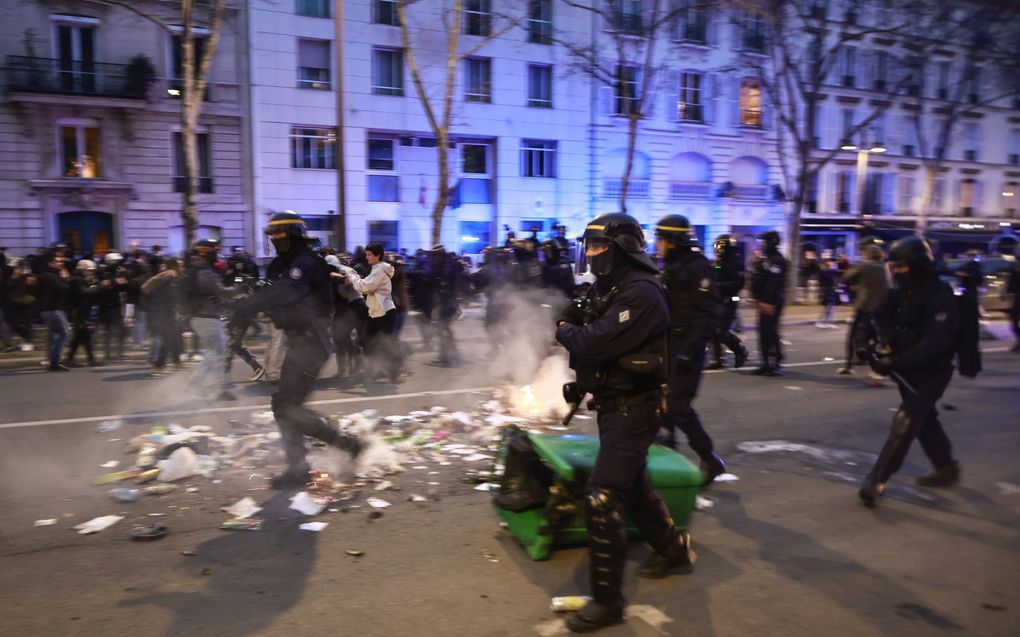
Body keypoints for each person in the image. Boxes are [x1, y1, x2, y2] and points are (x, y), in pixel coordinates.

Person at [555, 213, 696, 633]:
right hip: (617, 403)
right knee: (633, 485)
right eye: (591, 247)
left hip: (636, 407)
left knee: (602, 497)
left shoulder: (642, 293)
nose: (593, 254)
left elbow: (592, 340)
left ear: (621, 248)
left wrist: (565, 331)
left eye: (599, 247)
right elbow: (575, 310)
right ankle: (673, 549)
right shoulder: (611, 286)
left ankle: (608, 602)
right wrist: (570, 321)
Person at [231, 212, 361, 489]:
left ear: (293, 235)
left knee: (286, 407)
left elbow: (287, 291)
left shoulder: (307, 262)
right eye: (273, 236)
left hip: (313, 341)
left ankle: (343, 446)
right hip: (300, 340)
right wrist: (242, 298)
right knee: (285, 407)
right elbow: (271, 288)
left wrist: (250, 305)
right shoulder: (283, 264)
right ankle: (308, 463)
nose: (276, 241)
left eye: (280, 236)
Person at [858, 236, 962, 506]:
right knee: (924, 418)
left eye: (902, 267)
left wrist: (893, 363)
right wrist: (866, 339)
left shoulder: (941, 296)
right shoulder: (903, 292)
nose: (897, 273)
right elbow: (878, 314)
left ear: (917, 265)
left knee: (906, 419)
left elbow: (935, 343)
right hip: (906, 368)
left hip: (933, 372)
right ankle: (946, 466)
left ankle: (876, 479)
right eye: (894, 267)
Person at [654, 215, 728, 485]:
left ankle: (710, 458)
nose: (657, 244)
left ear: (672, 241)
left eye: (660, 239)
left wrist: (690, 350)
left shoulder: (698, 268)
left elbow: (708, 313)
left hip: (687, 347)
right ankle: (664, 459)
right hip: (669, 344)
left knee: (677, 404)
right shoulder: (671, 267)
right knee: (660, 404)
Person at [184, 239, 237, 400]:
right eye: (215, 252)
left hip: (202, 316)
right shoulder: (204, 271)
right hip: (206, 317)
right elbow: (221, 291)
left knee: (213, 353)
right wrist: (240, 287)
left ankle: (198, 382)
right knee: (218, 353)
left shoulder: (197, 268)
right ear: (206, 253)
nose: (217, 255)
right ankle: (220, 389)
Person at [342, 242, 402, 383]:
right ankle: (379, 368)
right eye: (366, 254)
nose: (367, 257)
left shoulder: (379, 270)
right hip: (377, 311)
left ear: (378, 256)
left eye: (369, 255)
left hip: (384, 312)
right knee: (367, 340)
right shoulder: (377, 268)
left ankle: (394, 370)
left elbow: (365, 287)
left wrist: (352, 276)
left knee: (383, 342)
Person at [838, 238, 888, 375]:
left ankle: (848, 365)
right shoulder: (883, 268)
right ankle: (876, 365)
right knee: (875, 337)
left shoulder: (864, 265)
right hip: (879, 307)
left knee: (852, 334)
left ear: (868, 254)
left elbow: (846, 277)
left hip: (864, 305)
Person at [750, 230, 788, 376]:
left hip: (773, 302)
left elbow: (773, 283)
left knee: (771, 331)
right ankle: (765, 363)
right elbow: (758, 278)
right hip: (763, 301)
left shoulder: (777, 261)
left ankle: (776, 363)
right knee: (763, 332)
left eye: (764, 242)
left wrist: (768, 301)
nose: (762, 245)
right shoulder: (766, 259)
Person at [708, 234, 748, 369]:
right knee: (713, 329)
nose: (716, 248)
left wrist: (718, 286)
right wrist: (714, 268)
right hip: (718, 299)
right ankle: (718, 359)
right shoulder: (722, 261)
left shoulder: (736, 262)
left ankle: (740, 350)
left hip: (730, 299)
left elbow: (738, 283)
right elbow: (717, 273)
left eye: (719, 245)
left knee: (721, 330)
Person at [143, 257, 185, 374]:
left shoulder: (166, 276)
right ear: (175, 266)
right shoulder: (171, 277)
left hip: (162, 313)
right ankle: (158, 365)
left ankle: (176, 362)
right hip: (164, 314)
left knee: (174, 338)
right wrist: (177, 310)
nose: (183, 268)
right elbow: (171, 297)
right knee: (167, 340)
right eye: (181, 265)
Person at [36, 250, 71, 371]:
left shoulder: (46, 276)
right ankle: (54, 362)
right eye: (57, 261)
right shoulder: (51, 276)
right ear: (50, 263)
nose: (60, 263)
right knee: (63, 334)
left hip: (48, 309)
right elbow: (63, 290)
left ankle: (51, 360)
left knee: (53, 335)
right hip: (53, 309)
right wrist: (65, 279)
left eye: (61, 261)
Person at [64, 259, 101, 367]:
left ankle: (73, 358)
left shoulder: (79, 279)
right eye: (89, 271)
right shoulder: (77, 280)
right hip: (79, 311)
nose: (91, 273)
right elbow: (84, 293)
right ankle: (87, 359)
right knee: (82, 336)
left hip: (81, 310)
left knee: (82, 336)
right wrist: (97, 288)